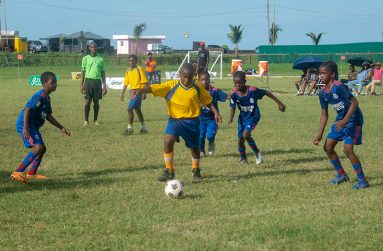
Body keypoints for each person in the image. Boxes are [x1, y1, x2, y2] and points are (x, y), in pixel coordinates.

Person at [135, 63, 222, 182]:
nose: (186, 80)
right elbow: (153, 88)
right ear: (180, 75)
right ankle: (169, 171)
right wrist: (139, 90)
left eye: (190, 77)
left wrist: (216, 112)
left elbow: (207, 101)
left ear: (194, 76)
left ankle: (196, 171)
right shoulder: (171, 86)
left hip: (192, 122)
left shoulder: (197, 87)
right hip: (175, 120)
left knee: (194, 148)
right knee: (167, 140)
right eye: (184, 77)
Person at [313, 61, 368, 190]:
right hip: (341, 120)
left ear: (332, 75)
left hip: (353, 120)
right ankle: (342, 175)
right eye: (319, 73)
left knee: (348, 150)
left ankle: (362, 180)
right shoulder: (322, 93)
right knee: (328, 147)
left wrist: (345, 121)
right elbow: (324, 115)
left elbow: (354, 103)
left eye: (323, 73)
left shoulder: (339, 87)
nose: (320, 76)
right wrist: (319, 134)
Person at [10, 72, 71, 183]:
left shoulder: (47, 99)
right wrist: (25, 128)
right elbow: (27, 109)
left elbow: (48, 115)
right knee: (38, 148)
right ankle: (17, 172)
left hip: (33, 126)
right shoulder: (40, 96)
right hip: (26, 124)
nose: (55, 85)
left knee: (42, 149)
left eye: (56, 82)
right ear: (44, 84)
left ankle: (31, 173)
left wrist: (61, 127)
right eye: (52, 83)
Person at [228, 71, 286, 164]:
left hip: (254, 116)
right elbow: (232, 106)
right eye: (235, 83)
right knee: (240, 140)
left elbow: (266, 92)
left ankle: (257, 152)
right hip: (243, 118)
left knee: (246, 135)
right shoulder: (234, 94)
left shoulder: (253, 90)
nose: (237, 85)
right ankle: (243, 159)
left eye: (240, 83)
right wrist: (231, 117)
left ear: (245, 81)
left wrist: (279, 103)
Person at [198, 72, 229, 157]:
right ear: (198, 81)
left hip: (212, 119)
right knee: (200, 136)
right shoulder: (196, 92)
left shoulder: (214, 91)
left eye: (207, 79)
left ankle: (211, 143)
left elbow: (226, 96)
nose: (205, 81)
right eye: (202, 80)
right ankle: (201, 151)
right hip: (200, 119)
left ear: (210, 80)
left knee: (210, 136)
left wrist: (236, 97)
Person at [120, 54, 149, 135]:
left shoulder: (139, 69)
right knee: (137, 110)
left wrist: (144, 93)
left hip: (138, 91)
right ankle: (143, 128)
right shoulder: (128, 71)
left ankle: (130, 128)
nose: (131, 62)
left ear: (136, 61)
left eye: (133, 60)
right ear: (128, 62)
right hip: (132, 92)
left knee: (130, 109)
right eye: (130, 61)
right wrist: (122, 93)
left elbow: (145, 82)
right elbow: (126, 83)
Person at [80, 42, 107, 126]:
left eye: (95, 47)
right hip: (88, 81)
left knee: (96, 102)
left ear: (97, 48)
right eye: (92, 47)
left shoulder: (101, 59)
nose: (94, 48)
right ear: (89, 48)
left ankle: (95, 120)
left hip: (97, 82)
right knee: (87, 102)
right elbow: (83, 72)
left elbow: (103, 73)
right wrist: (81, 85)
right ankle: (86, 120)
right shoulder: (85, 58)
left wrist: (104, 85)